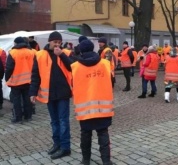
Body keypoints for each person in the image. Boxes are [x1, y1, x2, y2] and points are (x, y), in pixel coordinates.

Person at [29, 31, 72, 159]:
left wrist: (62, 55)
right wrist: (32, 92)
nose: (57, 44)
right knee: (54, 121)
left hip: (63, 93)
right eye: (55, 42)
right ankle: (57, 144)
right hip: (49, 94)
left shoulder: (67, 53)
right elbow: (35, 75)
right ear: (49, 42)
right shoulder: (39, 55)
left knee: (63, 121)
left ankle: (65, 147)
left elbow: (72, 67)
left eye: (59, 42)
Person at [71, 39, 114, 165]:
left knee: (85, 134)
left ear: (81, 51)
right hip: (103, 107)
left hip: (84, 109)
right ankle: (106, 161)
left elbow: (72, 84)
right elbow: (111, 80)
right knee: (103, 133)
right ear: (93, 49)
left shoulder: (75, 66)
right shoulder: (105, 63)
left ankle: (85, 160)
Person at [5, 37, 34, 123]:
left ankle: (18, 117)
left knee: (16, 100)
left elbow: (9, 68)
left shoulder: (13, 53)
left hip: (16, 82)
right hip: (28, 80)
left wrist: (7, 78)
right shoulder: (31, 52)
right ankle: (28, 116)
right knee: (27, 98)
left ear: (16, 43)